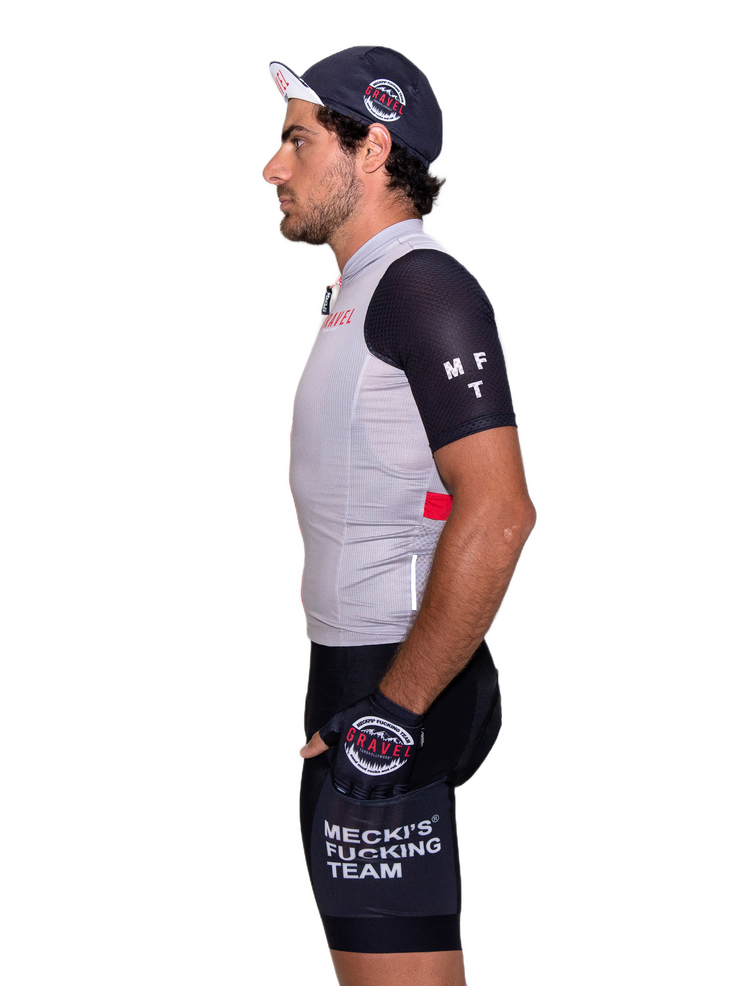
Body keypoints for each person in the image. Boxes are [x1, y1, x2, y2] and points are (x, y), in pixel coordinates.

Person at [263, 46, 536, 986]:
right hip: (357, 674)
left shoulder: (423, 288)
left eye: (298, 141)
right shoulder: (365, 290)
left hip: (393, 686)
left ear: (372, 149)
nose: (273, 166)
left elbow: (499, 511)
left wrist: (394, 710)